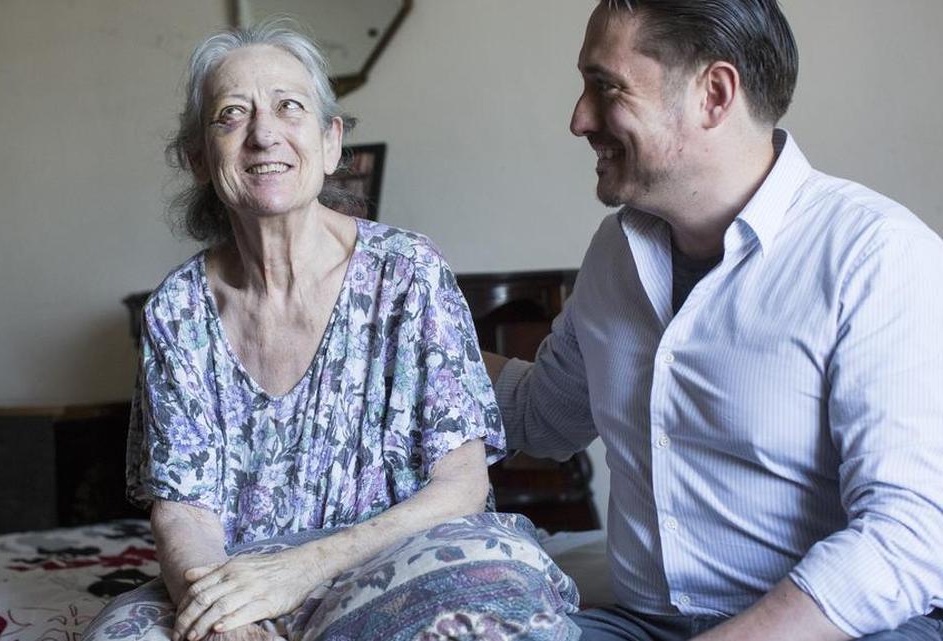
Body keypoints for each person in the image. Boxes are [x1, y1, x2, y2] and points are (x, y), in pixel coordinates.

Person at [85, 19, 578, 641]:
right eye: (231, 115)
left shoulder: (408, 273)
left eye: (289, 107)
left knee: (488, 590)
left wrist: (302, 568)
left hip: (401, 561)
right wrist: (223, 616)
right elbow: (184, 510)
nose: (264, 134)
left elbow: (461, 486)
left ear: (329, 142)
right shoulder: (177, 310)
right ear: (199, 160)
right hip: (244, 579)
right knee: (124, 633)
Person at [484, 1, 943, 640]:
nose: (579, 118)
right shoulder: (615, 252)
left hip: (847, 629)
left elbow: (908, 536)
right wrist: (379, 329)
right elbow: (544, 415)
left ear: (714, 94)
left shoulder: (879, 256)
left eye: (606, 86)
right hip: (646, 623)